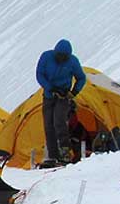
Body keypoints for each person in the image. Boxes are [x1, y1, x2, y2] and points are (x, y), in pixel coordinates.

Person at [35, 38, 86, 166]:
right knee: (48, 125)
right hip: (49, 95)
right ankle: (53, 155)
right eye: (59, 56)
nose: (61, 59)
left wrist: (73, 93)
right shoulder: (46, 57)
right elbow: (39, 74)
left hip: (63, 97)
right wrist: (51, 88)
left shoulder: (72, 62)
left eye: (64, 57)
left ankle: (65, 152)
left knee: (59, 122)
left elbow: (81, 78)